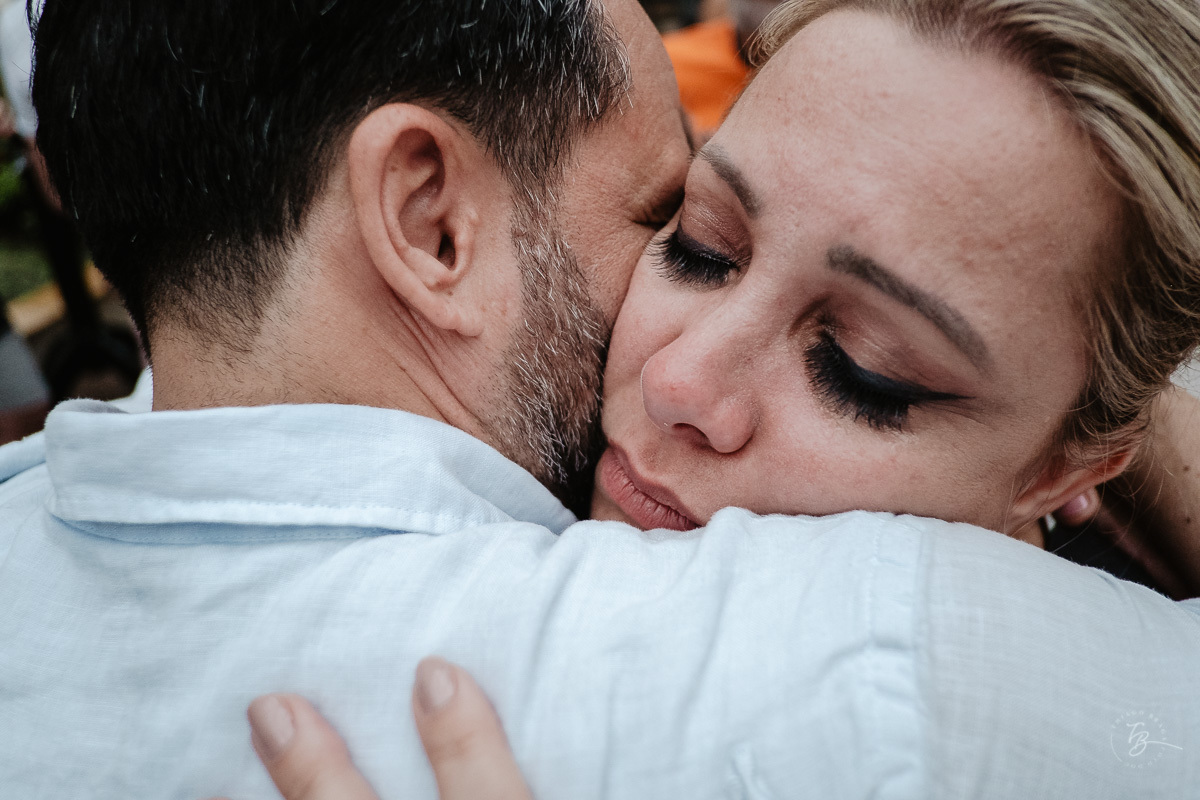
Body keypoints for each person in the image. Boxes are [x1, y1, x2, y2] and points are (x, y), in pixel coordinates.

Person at [3, 1, 1199, 799]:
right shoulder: (880, 675)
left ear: (1069, 469)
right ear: (426, 222)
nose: (678, 380)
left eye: (866, 369)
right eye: (689, 238)